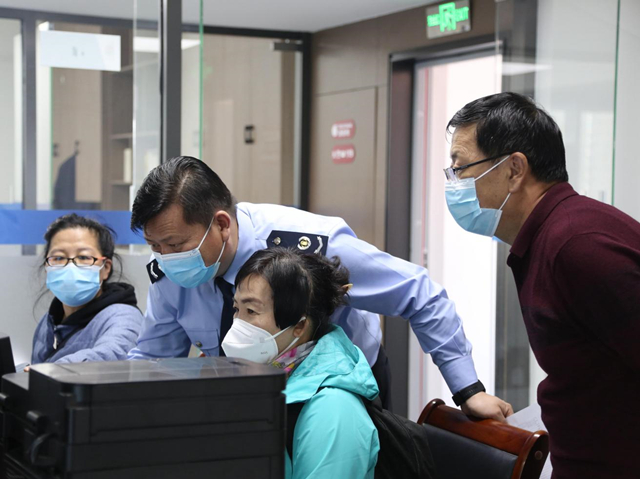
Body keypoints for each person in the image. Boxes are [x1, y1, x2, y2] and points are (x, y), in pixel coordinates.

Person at [128, 156, 512, 419]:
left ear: (222, 224)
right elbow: (152, 358)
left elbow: (420, 294)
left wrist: (468, 389)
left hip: (337, 395)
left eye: (175, 244)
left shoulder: (306, 244)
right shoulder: (169, 272)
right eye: (154, 246)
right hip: (246, 398)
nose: (165, 257)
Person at [444, 92, 640, 479]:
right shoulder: (551, 237)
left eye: (461, 169)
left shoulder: (578, 245)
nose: (454, 184)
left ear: (515, 170)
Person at [223, 248, 379, 478]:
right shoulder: (269, 380)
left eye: (251, 311)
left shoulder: (332, 411)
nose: (238, 323)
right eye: (237, 309)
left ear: (299, 326)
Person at [31, 214, 144, 365]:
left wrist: (47, 370)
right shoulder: (49, 320)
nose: (70, 266)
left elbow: (112, 355)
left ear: (105, 268)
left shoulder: (124, 317)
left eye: (84, 257)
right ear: (47, 267)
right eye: (58, 258)